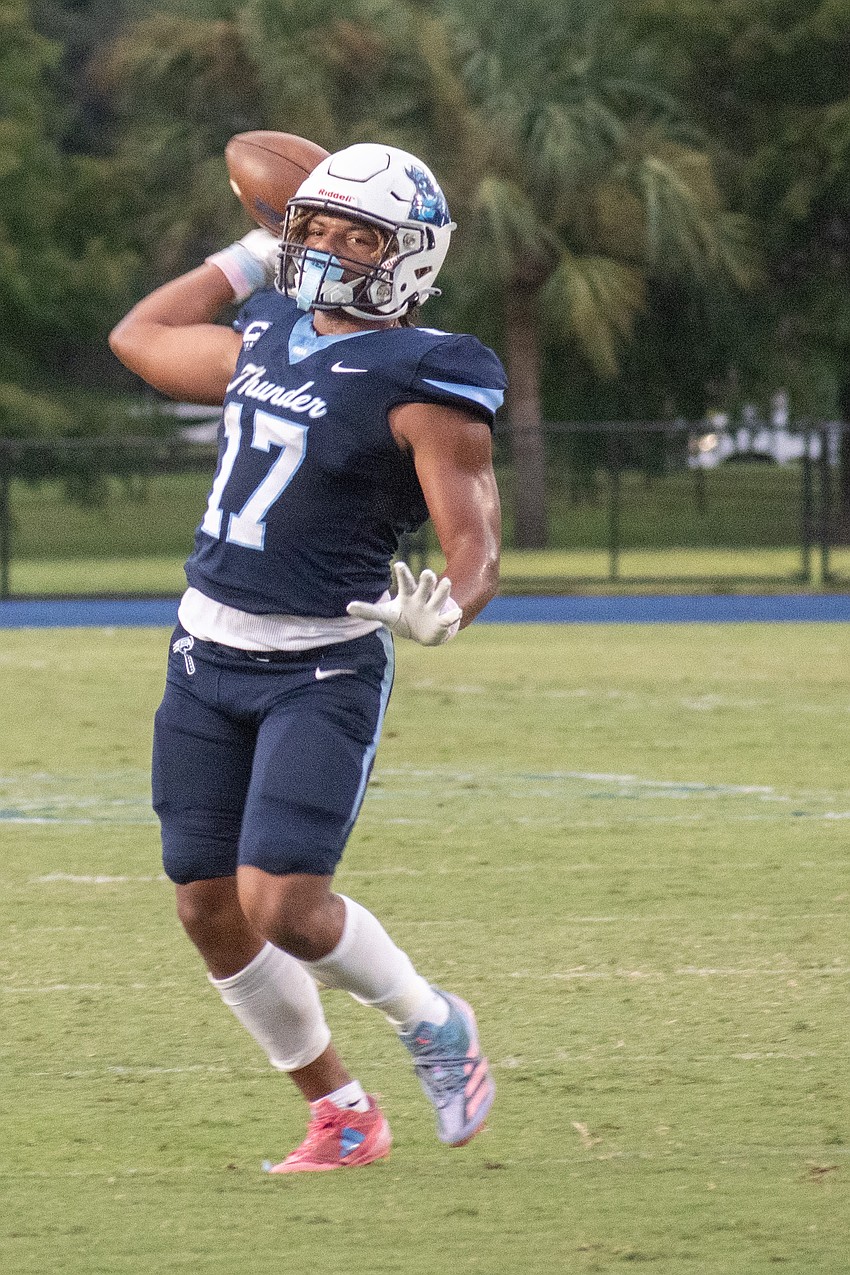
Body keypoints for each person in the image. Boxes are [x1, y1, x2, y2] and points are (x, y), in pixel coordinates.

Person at [109, 142, 506, 1172]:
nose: (327, 249)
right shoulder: (267, 329)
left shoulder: (427, 374)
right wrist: (251, 244)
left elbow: (475, 545)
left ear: (409, 258)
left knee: (280, 905)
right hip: (205, 653)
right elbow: (140, 335)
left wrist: (450, 611)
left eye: (356, 234)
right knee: (206, 907)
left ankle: (432, 1020)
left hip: (317, 667)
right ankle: (342, 1114)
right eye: (314, 228)